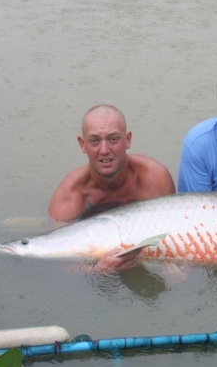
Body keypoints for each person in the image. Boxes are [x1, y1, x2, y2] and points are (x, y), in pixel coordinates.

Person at [49, 104, 175, 272]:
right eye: (94, 141)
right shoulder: (69, 197)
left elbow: (175, 233)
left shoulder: (154, 178)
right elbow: (60, 265)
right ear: (82, 144)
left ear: (127, 140)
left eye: (113, 139)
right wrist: (98, 270)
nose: (104, 150)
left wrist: (174, 270)